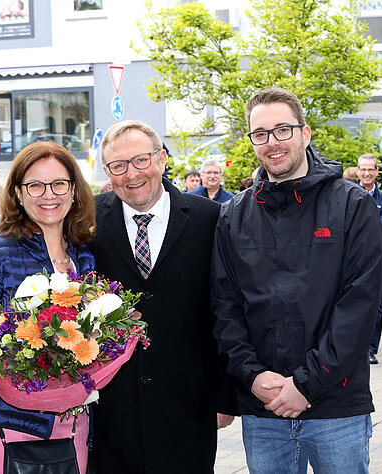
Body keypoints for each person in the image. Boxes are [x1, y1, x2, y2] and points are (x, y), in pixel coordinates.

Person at [212, 88, 382, 472]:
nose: (272, 142)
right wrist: (253, 377)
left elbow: (359, 305)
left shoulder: (352, 204)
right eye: (260, 133)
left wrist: (305, 384)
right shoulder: (232, 216)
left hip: (335, 408)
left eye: (282, 130)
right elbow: (225, 308)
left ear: (305, 134)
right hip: (264, 408)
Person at [88, 119, 236, 473]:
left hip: (189, 405)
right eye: (118, 166)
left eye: (141, 160)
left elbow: (227, 309)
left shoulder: (211, 219)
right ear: (108, 172)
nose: (132, 174)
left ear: (162, 159)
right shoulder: (86, 221)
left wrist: (225, 395)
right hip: (111, 410)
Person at [0, 141, 96, 474]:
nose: (48, 194)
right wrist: (31, 363)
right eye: (35, 185)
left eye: (58, 184)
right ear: (18, 193)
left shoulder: (84, 254)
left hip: (74, 418)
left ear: (74, 190)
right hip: (10, 420)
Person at [357, 154, 382, 365]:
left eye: (371, 169)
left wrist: (360, 224)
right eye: (364, 169)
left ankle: (371, 348)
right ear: (358, 170)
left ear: (377, 171)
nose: (367, 173)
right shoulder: (347, 195)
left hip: (379, 259)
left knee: (377, 306)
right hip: (353, 259)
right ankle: (355, 349)